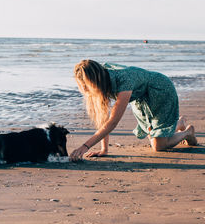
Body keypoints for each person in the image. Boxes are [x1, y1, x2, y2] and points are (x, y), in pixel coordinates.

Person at [69, 59, 197, 161]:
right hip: (140, 97)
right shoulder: (101, 77)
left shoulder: (124, 80)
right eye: (81, 84)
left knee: (158, 146)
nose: (84, 89)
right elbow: (104, 119)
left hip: (160, 90)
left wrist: (84, 147)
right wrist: (104, 149)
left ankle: (188, 132)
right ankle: (178, 124)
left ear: (95, 79)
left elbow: (113, 122)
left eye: (86, 84)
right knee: (155, 138)